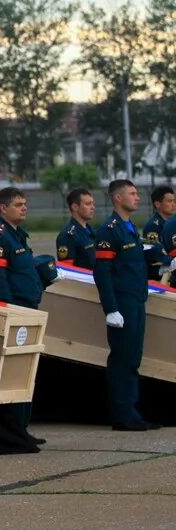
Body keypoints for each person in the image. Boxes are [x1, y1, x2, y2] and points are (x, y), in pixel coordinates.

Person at [0, 187, 59, 442]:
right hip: (16, 310)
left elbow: (24, 271)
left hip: (29, 307)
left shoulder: (19, 235)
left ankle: (22, 427)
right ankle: (12, 429)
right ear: (3, 208)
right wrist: (9, 310)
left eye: (25, 204)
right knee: (13, 372)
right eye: (18, 204)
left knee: (27, 371)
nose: (24, 208)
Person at [95, 180, 166, 431]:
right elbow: (102, 272)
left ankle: (132, 412)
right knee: (123, 359)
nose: (137, 198)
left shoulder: (129, 227)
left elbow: (133, 262)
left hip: (136, 299)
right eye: (132, 194)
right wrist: (110, 308)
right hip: (122, 302)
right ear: (117, 198)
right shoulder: (110, 230)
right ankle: (122, 415)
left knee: (133, 358)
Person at [56, 188, 97, 269]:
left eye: (93, 203)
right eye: (88, 204)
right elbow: (67, 270)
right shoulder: (67, 236)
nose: (93, 207)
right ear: (75, 207)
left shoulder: (91, 231)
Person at [141, 186, 174, 281]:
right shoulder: (153, 226)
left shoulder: (171, 224)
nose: (173, 204)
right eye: (169, 201)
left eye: (173, 201)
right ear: (158, 204)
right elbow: (158, 255)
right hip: (158, 273)